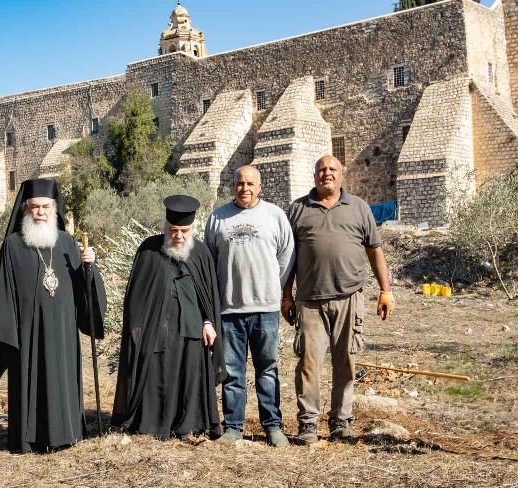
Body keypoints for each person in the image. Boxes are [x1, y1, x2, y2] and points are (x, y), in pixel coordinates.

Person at [282, 155, 394, 444]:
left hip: (349, 297)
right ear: (314, 175)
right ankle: (308, 424)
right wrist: (286, 295)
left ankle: (340, 421)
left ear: (342, 175)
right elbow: (289, 258)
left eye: (332, 169)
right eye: (321, 169)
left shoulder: (359, 208)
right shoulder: (297, 209)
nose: (327, 173)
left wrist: (386, 290)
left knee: (346, 360)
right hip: (309, 300)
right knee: (309, 363)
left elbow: (375, 250)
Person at [0, 179, 106, 453]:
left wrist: (89, 268)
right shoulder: (12, 245)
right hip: (27, 332)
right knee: (30, 379)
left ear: (55, 209)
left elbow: (83, 289)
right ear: (25, 209)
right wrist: (9, 333)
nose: (40, 212)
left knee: (62, 378)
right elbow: (2, 292)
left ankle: (67, 432)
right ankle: (30, 438)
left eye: (46, 207)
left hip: (63, 329)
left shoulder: (66, 243)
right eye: (35, 207)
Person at [112, 195, 226, 440]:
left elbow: (209, 296)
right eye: (174, 230)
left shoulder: (201, 252)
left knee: (189, 377)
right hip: (156, 329)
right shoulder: (149, 250)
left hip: (191, 330)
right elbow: (136, 294)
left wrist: (209, 322)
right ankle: (151, 424)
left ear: (193, 228)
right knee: (156, 375)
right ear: (166, 227)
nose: (179, 236)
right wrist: (137, 327)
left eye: (184, 231)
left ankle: (186, 426)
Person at [204, 165, 294, 447]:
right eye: (240, 183)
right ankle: (233, 427)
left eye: (250, 184)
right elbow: (209, 261)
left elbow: (286, 257)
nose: (245, 188)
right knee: (232, 372)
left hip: (265, 309)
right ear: (233, 186)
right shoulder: (218, 217)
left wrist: (273, 288)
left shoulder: (274, 215)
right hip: (230, 310)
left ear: (260, 186)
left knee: (267, 369)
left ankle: (273, 427)